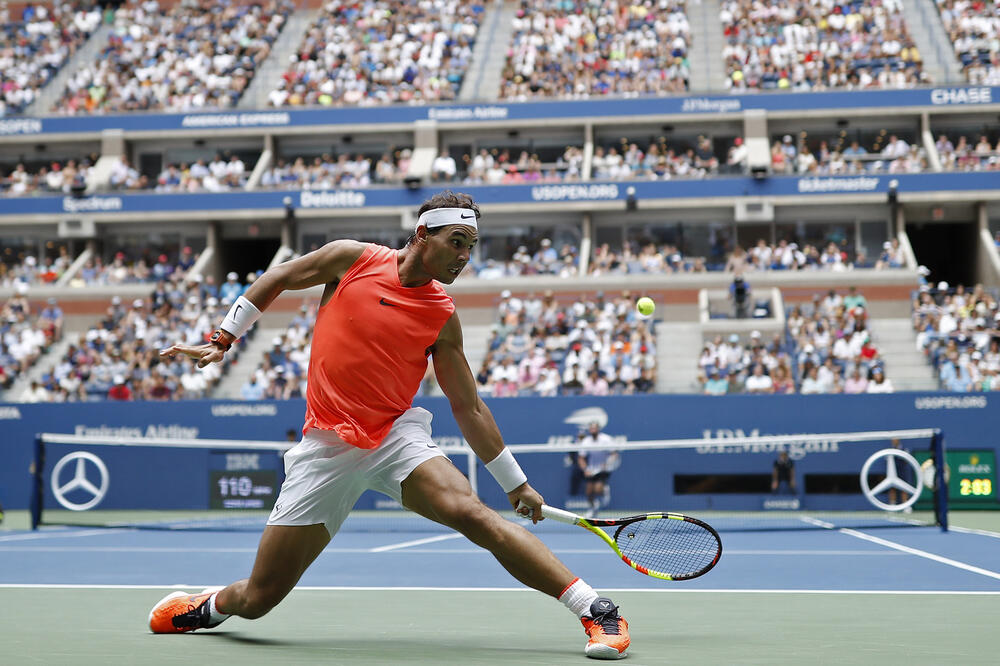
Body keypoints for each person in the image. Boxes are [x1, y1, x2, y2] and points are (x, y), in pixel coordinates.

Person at [150, 191, 630, 659]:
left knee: (472, 513)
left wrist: (515, 483)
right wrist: (222, 338)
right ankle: (207, 607)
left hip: (394, 436)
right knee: (259, 598)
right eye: (456, 242)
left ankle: (596, 609)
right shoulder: (351, 259)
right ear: (423, 234)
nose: (464, 256)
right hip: (326, 446)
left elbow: (470, 407)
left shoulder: (442, 316)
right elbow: (277, 277)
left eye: (470, 246)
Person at [577, 422, 620, 519]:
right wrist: (585, 469)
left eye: (594, 428)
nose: (592, 430)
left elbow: (614, 454)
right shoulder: (586, 441)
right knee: (589, 492)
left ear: (598, 429)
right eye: (591, 428)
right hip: (591, 469)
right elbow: (581, 458)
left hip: (604, 469)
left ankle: (604, 490)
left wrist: (607, 463)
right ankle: (593, 508)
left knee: (597, 489)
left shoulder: (606, 439)